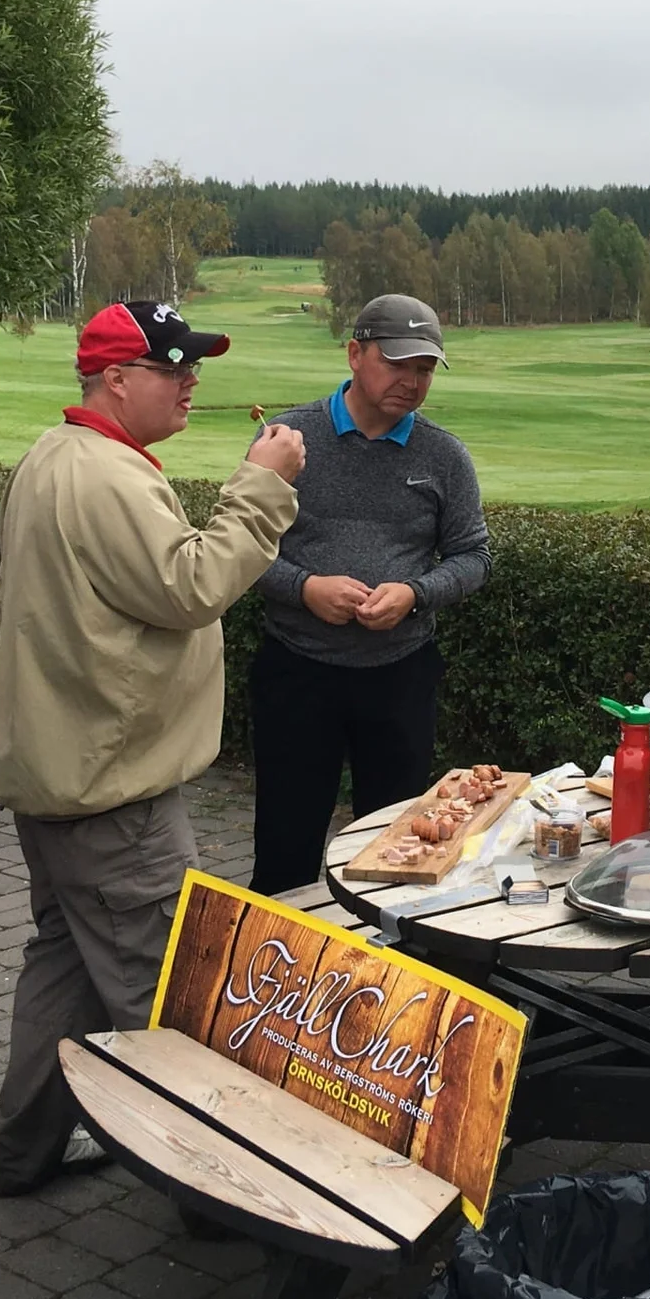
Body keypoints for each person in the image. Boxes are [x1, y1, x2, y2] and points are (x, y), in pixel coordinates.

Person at [0, 300, 304, 1195]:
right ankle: (217, 1195)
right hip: (113, 794)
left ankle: (22, 1154)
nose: (192, 380)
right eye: (173, 368)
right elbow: (193, 586)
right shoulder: (109, 476)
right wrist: (262, 481)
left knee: (67, 967)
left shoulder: (58, 455)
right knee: (168, 993)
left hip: (60, 776)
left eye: (192, 365)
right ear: (117, 380)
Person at [246, 294, 491, 898]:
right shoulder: (287, 439)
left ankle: (385, 978)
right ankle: (280, 979)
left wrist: (415, 592)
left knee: (398, 849)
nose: (411, 382)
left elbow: (473, 557)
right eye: (397, 363)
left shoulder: (444, 455)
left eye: (425, 369)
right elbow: (241, 550)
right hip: (297, 674)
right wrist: (305, 588)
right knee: (286, 846)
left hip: (400, 677)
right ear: (355, 354)